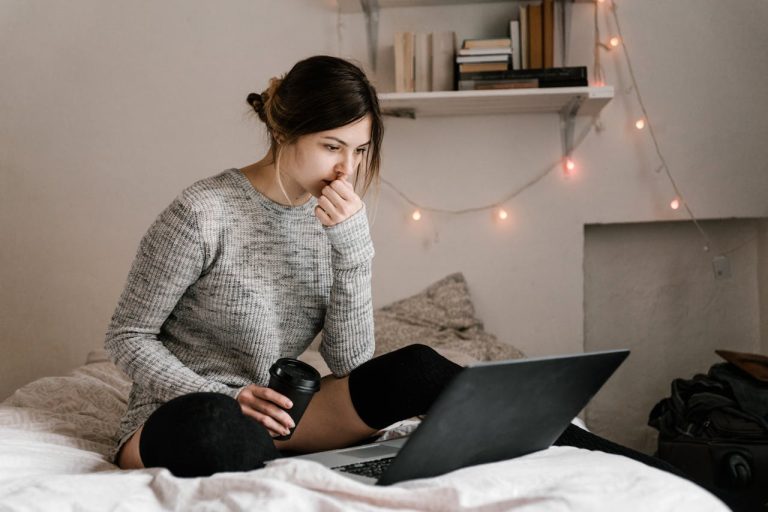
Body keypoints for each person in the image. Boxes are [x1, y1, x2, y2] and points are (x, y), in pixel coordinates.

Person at [105, 55, 463, 477]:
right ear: (281, 132)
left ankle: (547, 437)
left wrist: (353, 252)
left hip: (278, 414)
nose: (347, 169)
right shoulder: (202, 212)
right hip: (187, 412)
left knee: (420, 368)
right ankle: (263, 453)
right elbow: (128, 336)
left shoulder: (334, 222)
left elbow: (349, 363)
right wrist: (227, 396)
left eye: (360, 150)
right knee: (223, 428)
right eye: (332, 147)